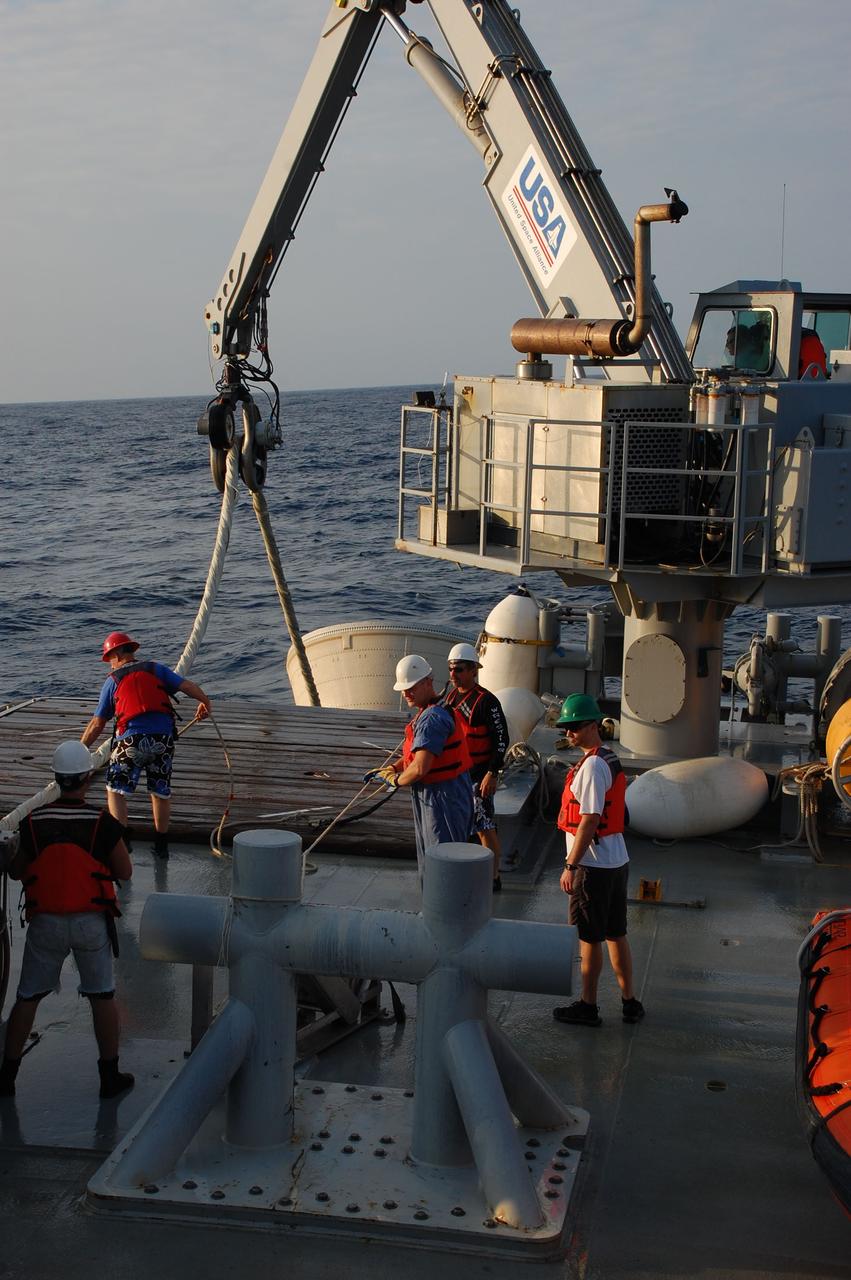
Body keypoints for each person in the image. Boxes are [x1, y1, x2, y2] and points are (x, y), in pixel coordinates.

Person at [0, 742, 134, 1099]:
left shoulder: (32, 823)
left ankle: (7, 1077)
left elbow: (17, 872)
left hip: (46, 924)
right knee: (102, 996)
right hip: (91, 921)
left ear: (57, 779)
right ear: (88, 778)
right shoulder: (102, 824)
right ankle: (109, 1077)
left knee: (27, 997)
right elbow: (124, 870)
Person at [551, 693, 644, 1028]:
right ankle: (630, 1002)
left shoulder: (591, 767)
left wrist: (570, 866)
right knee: (616, 933)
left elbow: (589, 820)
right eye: (566, 727)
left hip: (593, 866)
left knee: (589, 938)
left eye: (575, 726)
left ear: (592, 726)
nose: (569, 732)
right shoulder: (608, 758)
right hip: (616, 861)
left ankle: (588, 1006)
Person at [80, 631, 212, 858]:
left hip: (130, 740)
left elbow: (97, 723)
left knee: (115, 789)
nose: (109, 664)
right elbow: (188, 687)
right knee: (160, 791)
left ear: (117, 654)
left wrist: (80, 749)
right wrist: (205, 703)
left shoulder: (112, 681)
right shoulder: (154, 669)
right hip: (163, 741)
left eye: (109, 658)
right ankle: (161, 843)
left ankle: (122, 839)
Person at [365, 654, 473, 881]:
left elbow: (420, 768)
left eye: (411, 687)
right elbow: (417, 757)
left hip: (442, 799)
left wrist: (395, 780)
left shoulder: (432, 719)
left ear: (427, 682)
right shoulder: (435, 710)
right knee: (435, 855)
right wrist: (393, 768)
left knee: (442, 858)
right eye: (403, 689)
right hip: (440, 794)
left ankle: (444, 908)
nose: (406, 693)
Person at [442, 642, 510, 890]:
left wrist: (492, 773)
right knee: (461, 823)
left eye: (459, 669)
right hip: (458, 774)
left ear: (473, 670)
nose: (453, 674)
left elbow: (502, 739)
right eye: (451, 669)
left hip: (480, 774)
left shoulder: (486, 702)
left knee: (484, 825)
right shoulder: (450, 698)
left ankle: (493, 876)